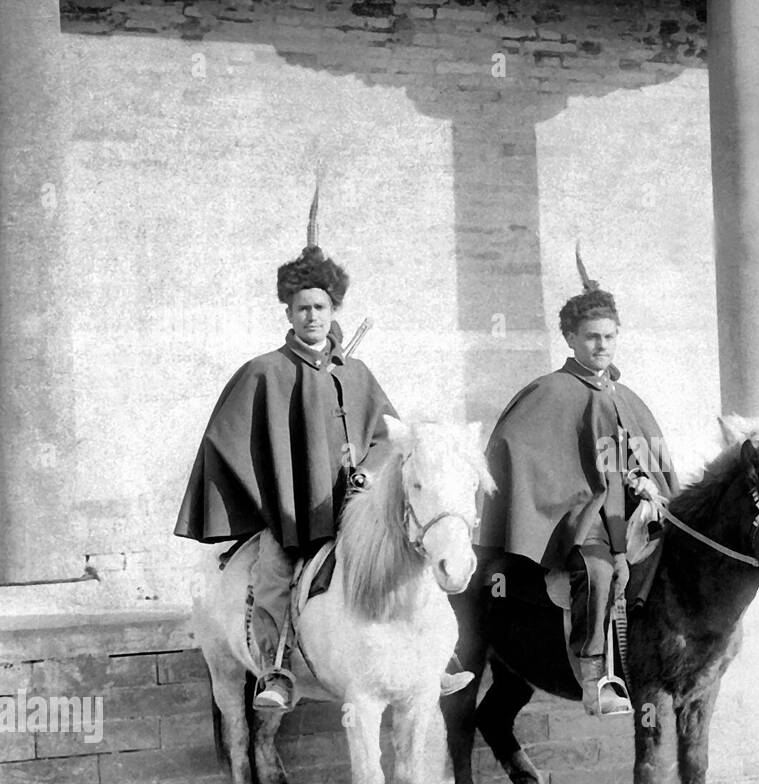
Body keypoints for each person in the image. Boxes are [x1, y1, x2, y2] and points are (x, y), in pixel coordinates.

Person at [174, 192, 473, 708]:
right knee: (274, 572)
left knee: (406, 559)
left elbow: (389, 438)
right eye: (302, 308)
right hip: (292, 511)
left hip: (356, 510)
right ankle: (274, 669)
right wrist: (270, 497)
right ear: (288, 312)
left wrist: (369, 475)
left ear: (334, 309)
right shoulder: (263, 373)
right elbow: (228, 442)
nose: (312, 316)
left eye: (321, 306)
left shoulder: (354, 373)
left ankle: (435, 657)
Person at [479, 250, 679, 715]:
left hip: (632, 519)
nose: (601, 346)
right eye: (591, 337)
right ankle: (595, 677)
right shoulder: (549, 392)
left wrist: (649, 487)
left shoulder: (627, 397)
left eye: (609, 336)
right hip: (580, 520)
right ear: (570, 337)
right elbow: (516, 454)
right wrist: (575, 497)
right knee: (599, 570)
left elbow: (648, 460)